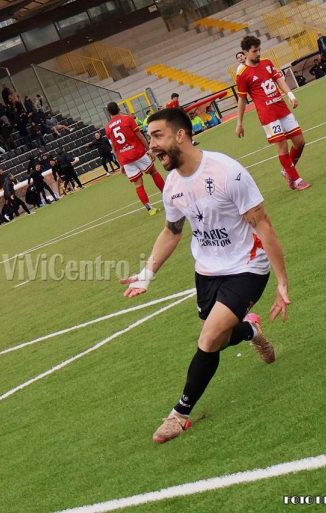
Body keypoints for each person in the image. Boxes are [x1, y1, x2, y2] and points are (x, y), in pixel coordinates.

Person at [122, 108, 290, 443]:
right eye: (148, 137)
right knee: (221, 338)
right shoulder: (171, 185)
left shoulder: (227, 172)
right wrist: (147, 273)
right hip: (207, 272)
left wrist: (282, 281)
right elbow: (172, 231)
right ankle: (250, 330)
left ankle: (179, 415)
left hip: (247, 266)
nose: (150, 146)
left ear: (180, 135)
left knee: (209, 339)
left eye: (157, 136)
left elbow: (262, 223)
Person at [235, 36, 311, 191]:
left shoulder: (267, 63)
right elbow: (242, 100)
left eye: (259, 50)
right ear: (245, 52)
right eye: (254, 51)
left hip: (282, 108)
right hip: (268, 115)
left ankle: (286, 171)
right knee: (282, 146)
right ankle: (296, 180)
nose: (258, 53)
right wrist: (239, 123)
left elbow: (279, 80)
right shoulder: (242, 74)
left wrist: (290, 95)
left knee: (300, 142)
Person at [104, 102, 165, 214]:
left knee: (138, 184)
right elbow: (139, 135)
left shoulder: (107, 128)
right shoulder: (127, 119)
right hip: (137, 152)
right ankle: (168, 198)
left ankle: (150, 209)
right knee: (154, 172)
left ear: (108, 112)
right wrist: (149, 149)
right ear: (118, 108)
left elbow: (114, 147)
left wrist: (121, 164)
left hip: (125, 159)